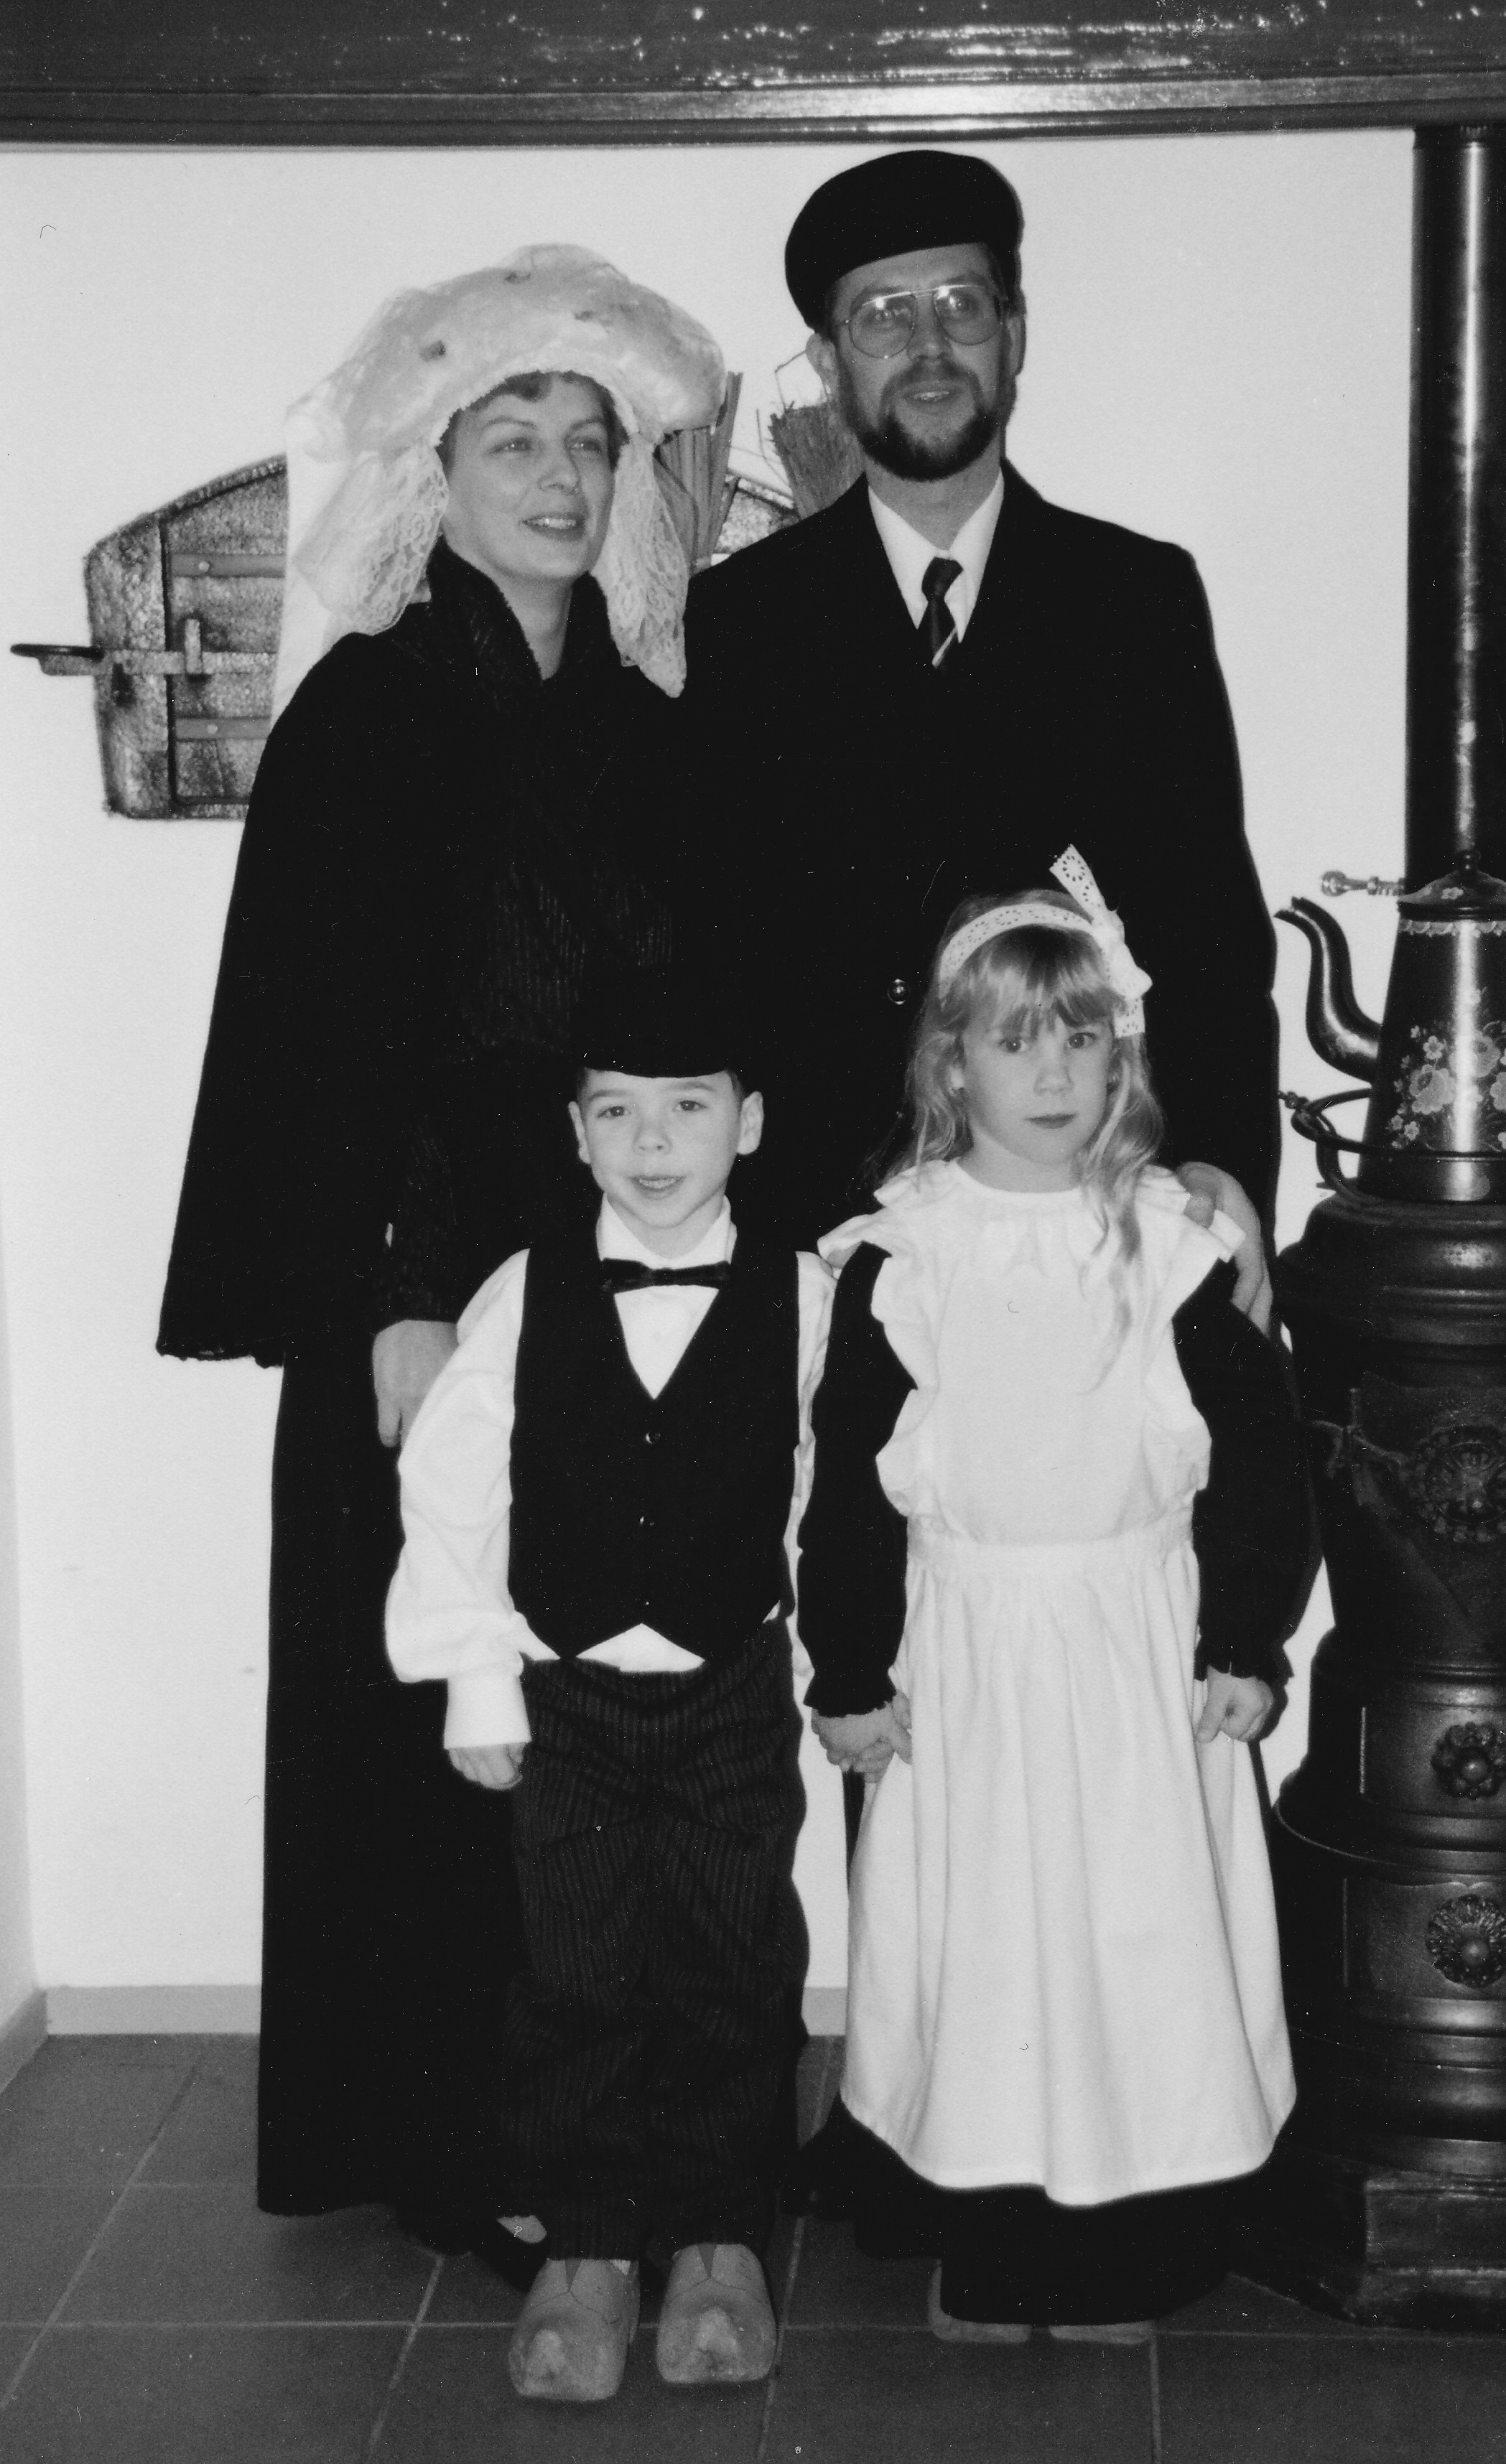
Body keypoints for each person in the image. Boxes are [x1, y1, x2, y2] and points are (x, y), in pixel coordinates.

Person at [157, 248, 725, 2270]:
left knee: (570, 1685)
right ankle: (438, 2126)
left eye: (591, 443)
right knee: (423, 1691)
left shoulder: (645, 720)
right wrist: (395, 1293)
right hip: (417, 1260)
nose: (562, 477)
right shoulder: (372, 706)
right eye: (515, 441)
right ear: (439, 469)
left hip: (604, 1242)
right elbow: (330, 1034)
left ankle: (586, 2103)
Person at [796, 855, 1311, 2333]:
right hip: (967, 1657)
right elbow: (849, 1493)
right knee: (985, 1947)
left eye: (1081, 1038)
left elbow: (1263, 1465)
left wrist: (1245, 1640)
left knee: (1135, 1937)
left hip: (1136, 1654)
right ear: (948, 1062)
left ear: (1120, 1056)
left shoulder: (1171, 1245)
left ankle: (1136, 2235)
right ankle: (987, 2222)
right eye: (1013, 1040)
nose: (1051, 1074)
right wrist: (848, 1674)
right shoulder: (905, 1251)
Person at [679, 148, 1280, 1279]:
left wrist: (1219, 1163)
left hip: (1090, 1209)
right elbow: (712, 945)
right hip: (824, 1222)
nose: (929, 346)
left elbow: (1205, 926)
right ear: (828, 361)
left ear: (1014, 333)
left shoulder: (1135, 600)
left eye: (961, 305)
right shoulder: (742, 620)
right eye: (883, 316)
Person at [385, 968, 831, 2401]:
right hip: (566, 1693)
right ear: (576, 1135)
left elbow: (831, 1496)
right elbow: (453, 1486)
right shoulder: (523, 1292)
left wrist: (826, 1662)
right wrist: (476, 1679)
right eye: (617, 1112)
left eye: (686, 1109)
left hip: (731, 1688)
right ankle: (585, 2249)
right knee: (574, 1971)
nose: (651, 1141)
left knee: (732, 1965)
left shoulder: (811, 1294)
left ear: (746, 1125)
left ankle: (716, 2240)